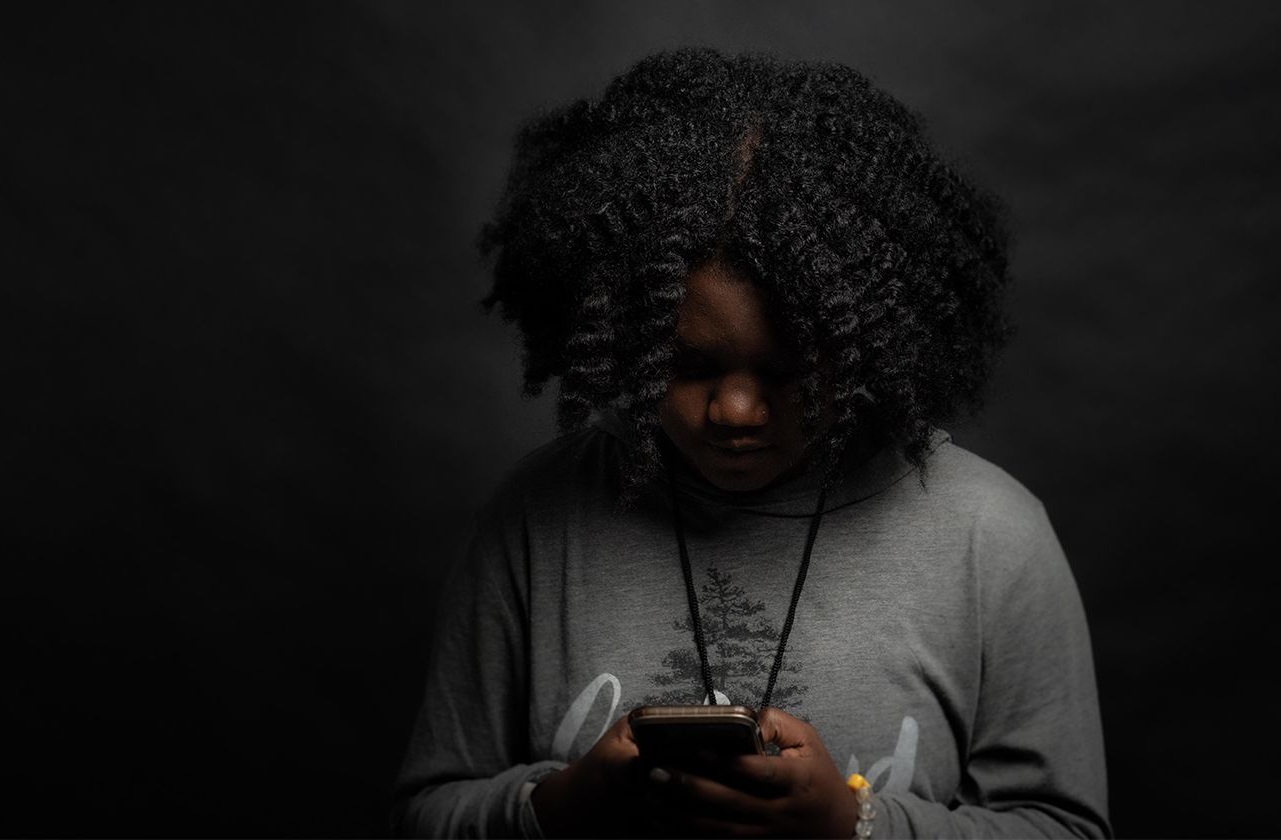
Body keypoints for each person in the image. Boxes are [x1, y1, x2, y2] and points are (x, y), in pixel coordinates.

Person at [393, 47, 1110, 839]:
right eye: (688, 365)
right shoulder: (535, 521)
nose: (735, 411)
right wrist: (559, 807)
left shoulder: (993, 538)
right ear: (623, 338)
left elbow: (1067, 829)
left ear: (863, 345)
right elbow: (425, 815)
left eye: (787, 371)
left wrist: (855, 825)